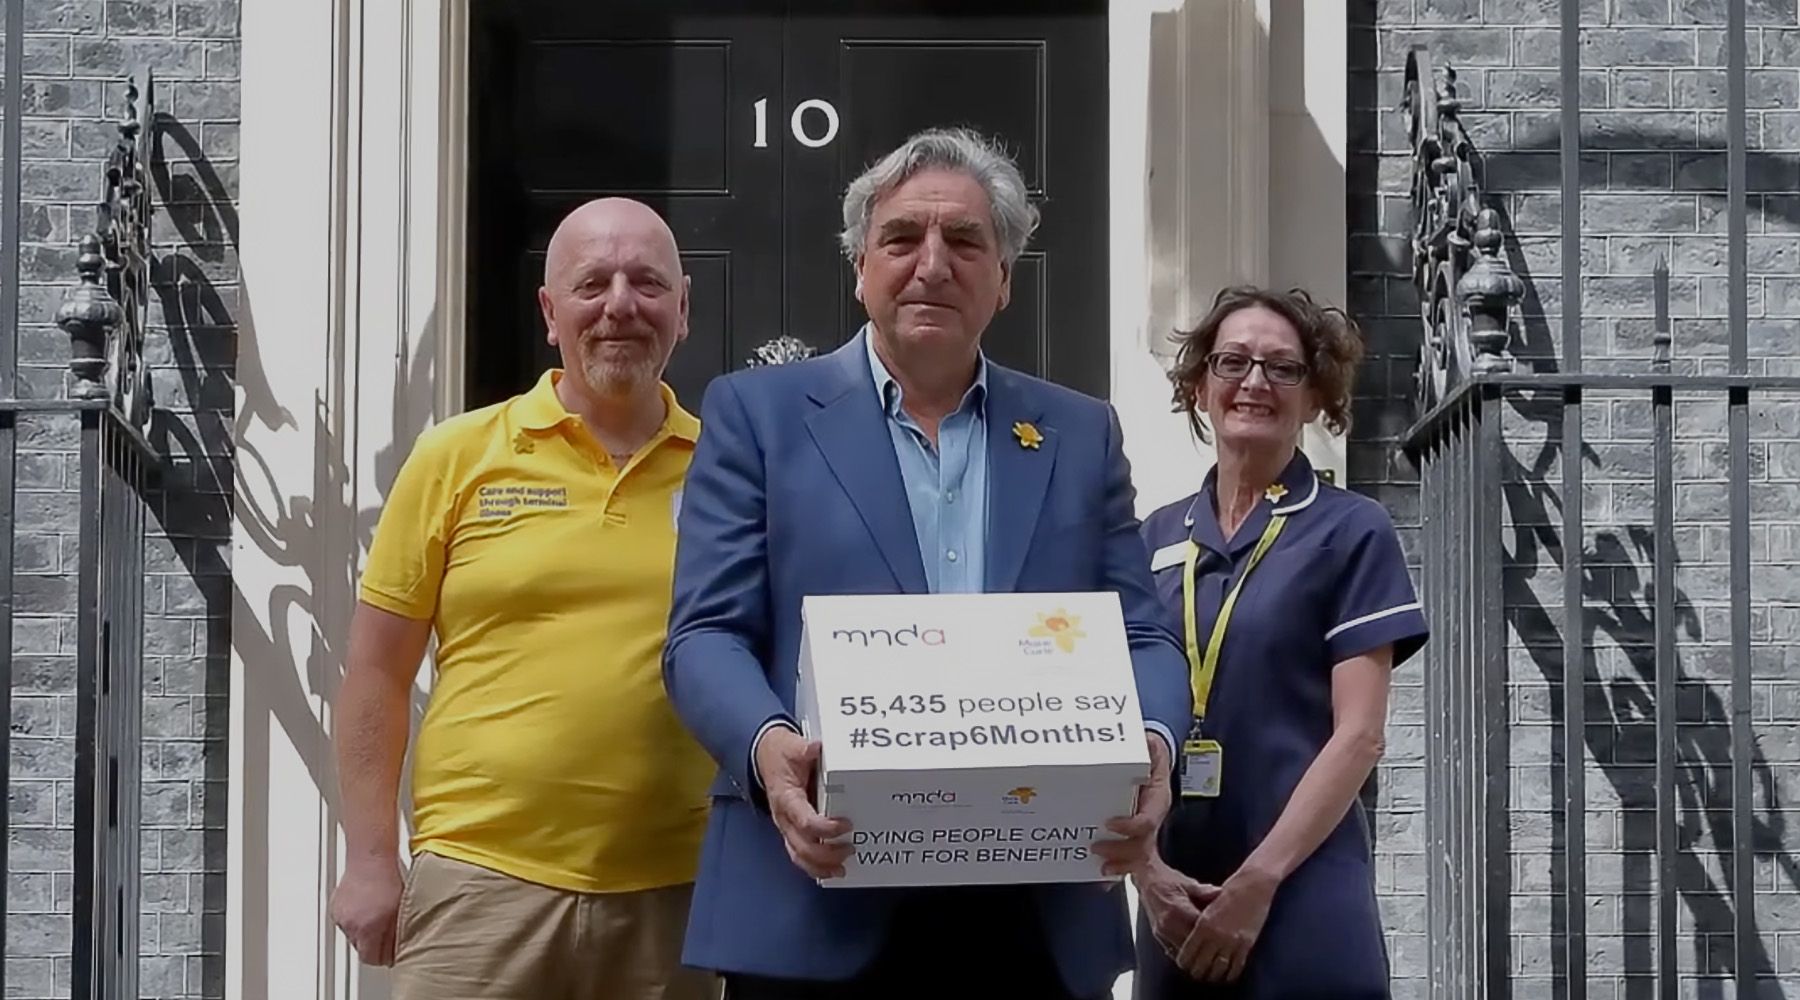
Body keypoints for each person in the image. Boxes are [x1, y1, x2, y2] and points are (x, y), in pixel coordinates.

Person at [662, 127, 1192, 1000]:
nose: (933, 264)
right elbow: (704, 635)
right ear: (860, 268)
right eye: (903, 238)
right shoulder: (755, 416)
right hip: (813, 895)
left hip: (1034, 905)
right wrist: (768, 750)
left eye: (966, 241)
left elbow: (1144, 636)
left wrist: (1155, 748)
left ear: (1005, 279)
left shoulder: (1078, 432)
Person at [328, 198, 719, 1000]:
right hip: (477, 888)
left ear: (682, 309)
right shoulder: (457, 456)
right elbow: (375, 672)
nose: (620, 305)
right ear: (551, 312)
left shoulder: (729, 471)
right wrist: (369, 858)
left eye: (647, 283)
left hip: (676, 900)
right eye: (592, 284)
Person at [1131, 286, 1429, 999]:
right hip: (1180, 899)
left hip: (1300, 889)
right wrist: (1147, 876)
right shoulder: (1152, 539)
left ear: (1315, 393)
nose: (1255, 382)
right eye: (1233, 362)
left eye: (1283, 368)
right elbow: (1114, 728)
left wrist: (1258, 882)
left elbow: (1359, 737)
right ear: (1200, 386)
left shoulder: (1350, 531)